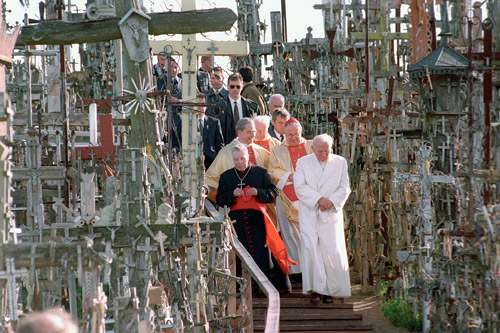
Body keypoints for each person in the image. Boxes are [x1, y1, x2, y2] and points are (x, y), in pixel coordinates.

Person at [217, 145, 295, 291]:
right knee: (241, 255)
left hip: (258, 222)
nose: (239, 162)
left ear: (248, 157)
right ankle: (244, 286)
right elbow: (220, 199)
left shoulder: (261, 173)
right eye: (236, 160)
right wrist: (232, 194)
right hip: (236, 225)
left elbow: (272, 194)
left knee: (260, 253)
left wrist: (258, 192)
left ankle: (261, 286)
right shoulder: (226, 176)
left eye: (242, 158)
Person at [294, 134, 351, 304]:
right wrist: (319, 199)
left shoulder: (340, 162)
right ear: (313, 149)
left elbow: (344, 186)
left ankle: (331, 290)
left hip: (331, 212)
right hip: (310, 211)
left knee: (331, 249)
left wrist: (331, 201)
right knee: (312, 248)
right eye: (320, 151)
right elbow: (300, 186)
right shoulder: (303, 163)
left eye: (327, 151)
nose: (324, 154)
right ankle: (315, 289)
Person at [268, 118, 313, 279]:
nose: (293, 137)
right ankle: (296, 271)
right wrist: (290, 176)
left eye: (296, 134)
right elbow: (272, 171)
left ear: (301, 132)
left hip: (310, 199)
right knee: (291, 236)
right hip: (287, 198)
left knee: (311, 235)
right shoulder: (277, 150)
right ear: (284, 134)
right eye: (289, 135)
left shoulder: (311, 146)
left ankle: (312, 268)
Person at [204, 118, 269, 194]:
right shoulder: (225, 153)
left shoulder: (261, 152)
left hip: (258, 202)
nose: (253, 135)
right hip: (234, 201)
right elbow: (212, 178)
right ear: (239, 132)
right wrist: (205, 188)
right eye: (249, 132)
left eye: (254, 132)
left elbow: (269, 179)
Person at [172, 93, 224, 169]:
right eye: (197, 104)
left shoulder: (214, 123)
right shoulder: (185, 123)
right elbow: (177, 142)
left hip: (211, 162)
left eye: (202, 104)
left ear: (206, 106)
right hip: (190, 162)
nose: (200, 107)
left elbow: (220, 145)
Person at [213, 73, 261, 144]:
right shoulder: (218, 106)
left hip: (247, 145)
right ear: (227, 87)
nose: (235, 89)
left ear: (242, 87)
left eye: (238, 86)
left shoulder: (252, 106)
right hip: (226, 146)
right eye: (232, 86)